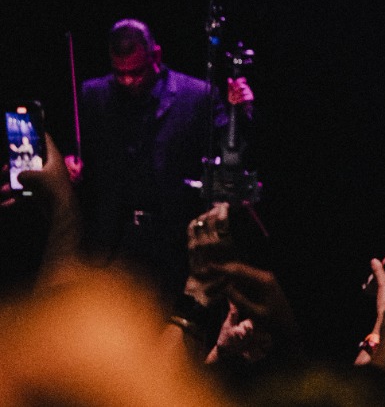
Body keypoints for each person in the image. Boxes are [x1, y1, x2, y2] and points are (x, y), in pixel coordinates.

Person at [75, 18, 253, 302]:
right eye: (120, 73)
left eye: (136, 71)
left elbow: (230, 152)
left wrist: (240, 112)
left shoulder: (196, 95)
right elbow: (78, 149)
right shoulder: (92, 95)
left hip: (172, 241)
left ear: (155, 55)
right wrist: (72, 162)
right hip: (114, 240)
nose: (128, 80)